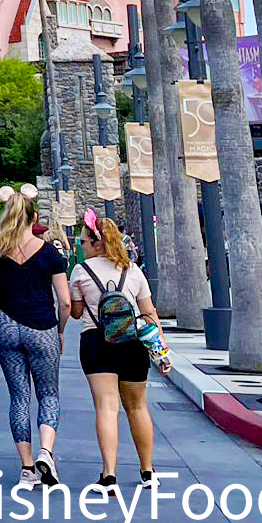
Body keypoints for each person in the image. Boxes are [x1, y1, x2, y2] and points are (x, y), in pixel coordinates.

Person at [0, 187, 68, 487]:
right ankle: (46, 452)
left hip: (5, 322)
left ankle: (27, 467)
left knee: (19, 396)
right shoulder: (50, 253)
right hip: (41, 326)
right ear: (35, 218)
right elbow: (64, 301)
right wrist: (60, 330)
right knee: (48, 393)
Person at [69, 208, 160, 493]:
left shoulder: (81, 271)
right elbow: (149, 313)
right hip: (132, 343)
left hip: (97, 342)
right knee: (138, 406)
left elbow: (76, 312)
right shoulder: (132, 270)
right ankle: (147, 471)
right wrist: (161, 349)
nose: (81, 247)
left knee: (106, 407)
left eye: (84, 242)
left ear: (97, 243)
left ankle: (109, 475)